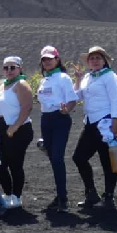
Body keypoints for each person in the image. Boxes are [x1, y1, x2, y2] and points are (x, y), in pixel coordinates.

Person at [72, 46, 117, 210]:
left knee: (108, 161)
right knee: (79, 157)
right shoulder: (87, 77)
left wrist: (115, 122)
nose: (94, 61)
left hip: (106, 122)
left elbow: (115, 100)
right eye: (91, 58)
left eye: (98, 58)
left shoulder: (110, 76)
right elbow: (77, 96)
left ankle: (109, 196)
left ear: (104, 61)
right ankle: (91, 193)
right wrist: (78, 79)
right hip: (90, 122)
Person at [0, 56, 34, 209]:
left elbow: (27, 107)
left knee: (15, 164)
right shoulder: (3, 85)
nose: (9, 70)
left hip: (18, 129)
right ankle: (8, 194)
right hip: (1, 129)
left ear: (20, 68)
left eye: (12, 67)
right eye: (6, 68)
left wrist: (15, 126)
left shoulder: (21, 84)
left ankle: (16, 196)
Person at [36, 46, 78, 212]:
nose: (47, 62)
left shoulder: (63, 78)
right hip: (46, 119)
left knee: (57, 157)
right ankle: (60, 195)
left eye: (50, 59)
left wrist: (66, 110)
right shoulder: (43, 80)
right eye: (44, 59)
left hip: (60, 118)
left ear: (57, 60)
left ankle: (63, 198)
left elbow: (72, 100)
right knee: (53, 159)